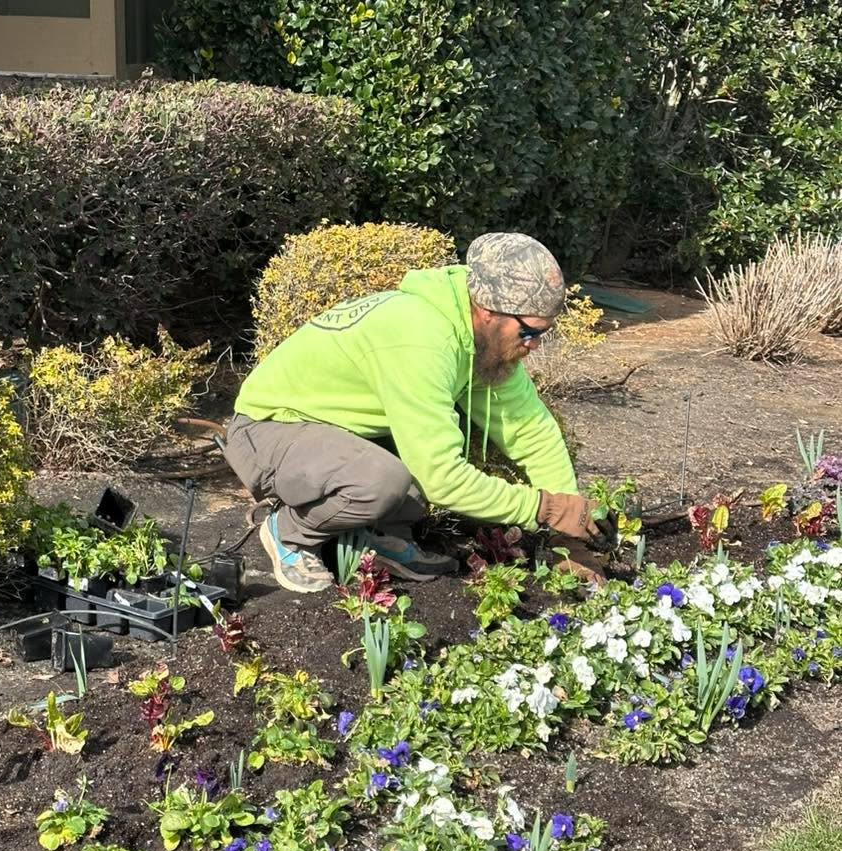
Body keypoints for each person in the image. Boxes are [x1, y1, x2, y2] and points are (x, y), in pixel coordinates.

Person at [222, 231, 616, 593]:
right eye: (529, 332)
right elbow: (442, 479)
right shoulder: (421, 338)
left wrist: (571, 533)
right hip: (269, 432)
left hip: (334, 436)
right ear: (489, 311)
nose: (533, 345)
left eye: (543, 334)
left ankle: (382, 539)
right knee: (383, 480)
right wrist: (545, 510)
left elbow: (530, 430)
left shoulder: (482, 342)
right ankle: (289, 531)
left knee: (430, 450)